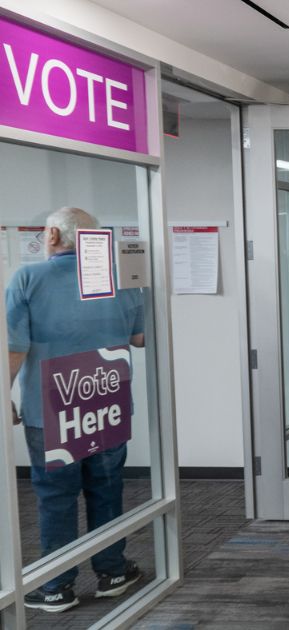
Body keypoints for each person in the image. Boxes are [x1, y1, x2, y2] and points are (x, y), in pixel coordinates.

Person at [8, 207, 144, 612]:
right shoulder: (122, 280)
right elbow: (138, 338)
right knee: (106, 490)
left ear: (52, 235)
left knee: (56, 496)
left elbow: (15, 351)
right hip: (107, 401)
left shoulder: (28, 278)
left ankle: (56, 586)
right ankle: (113, 571)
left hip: (50, 407)